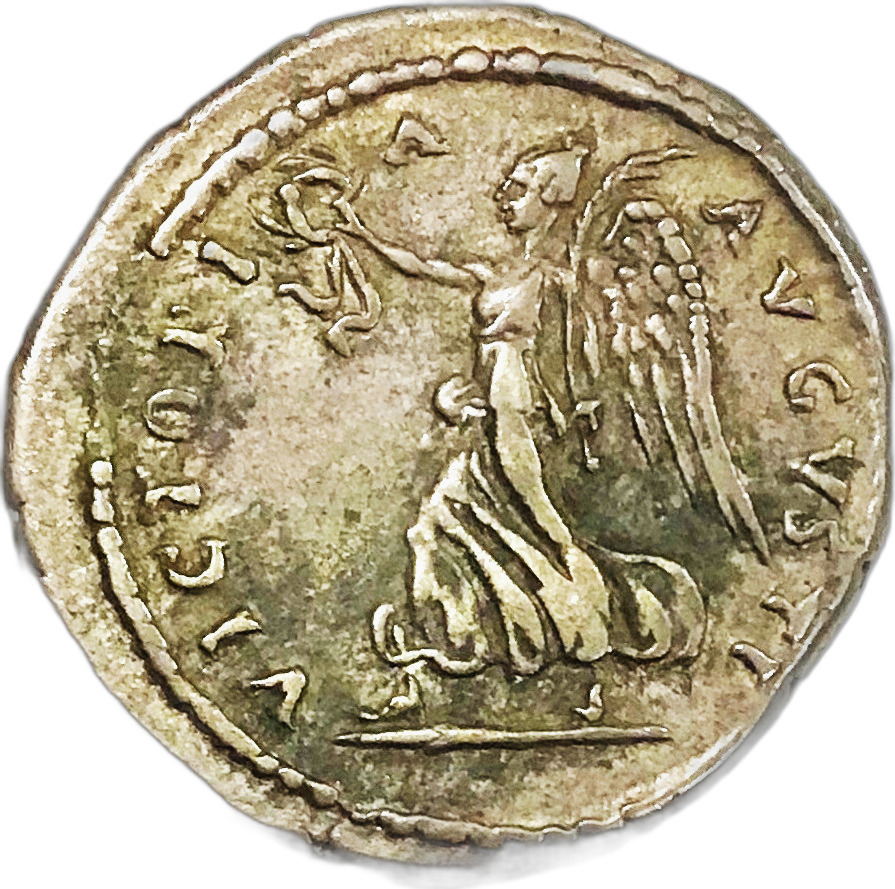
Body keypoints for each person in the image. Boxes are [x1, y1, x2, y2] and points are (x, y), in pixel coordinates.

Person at [331, 142, 708, 694]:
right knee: (448, 514)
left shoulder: (560, 281)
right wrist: (361, 234)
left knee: (541, 524)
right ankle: (492, 631)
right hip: (488, 404)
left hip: (515, 404)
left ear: (550, 199)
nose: (503, 198)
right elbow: (424, 266)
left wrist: (575, 405)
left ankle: (591, 617)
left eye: (519, 189)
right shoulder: (493, 271)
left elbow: (577, 354)